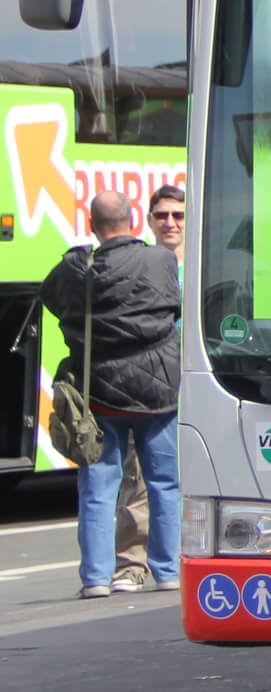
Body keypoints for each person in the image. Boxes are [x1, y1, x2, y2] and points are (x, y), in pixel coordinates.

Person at [42, 191, 181, 599]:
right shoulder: (160, 260)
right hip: (158, 390)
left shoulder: (75, 268)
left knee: (99, 487)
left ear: (91, 225)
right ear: (135, 219)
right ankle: (168, 571)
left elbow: (50, 297)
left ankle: (96, 579)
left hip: (99, 391)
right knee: (164, 483)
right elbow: (171, 306)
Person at [108, 185, 184, 592]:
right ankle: (132, 566)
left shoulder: (204, 268)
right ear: (148, 220)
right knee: (138, 481)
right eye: (162, 215)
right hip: (149, 390)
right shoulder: (136, 268)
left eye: (178, 215)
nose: (170, 223)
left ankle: (183, 561)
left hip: (196, 387)